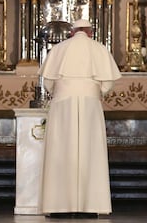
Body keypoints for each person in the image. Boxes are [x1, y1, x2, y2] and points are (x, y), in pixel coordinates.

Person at [38, 18, 121, 218]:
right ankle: (89, 206)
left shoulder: (58, 49)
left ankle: (59, 206)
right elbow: (108, 83)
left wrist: (61, 92)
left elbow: (48, 81)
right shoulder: (99, 48)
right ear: (90, 32)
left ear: (72, 32)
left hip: (62, 104)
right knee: (90, 152)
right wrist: (95, 91)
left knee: (61, 151)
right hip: (90, 104)